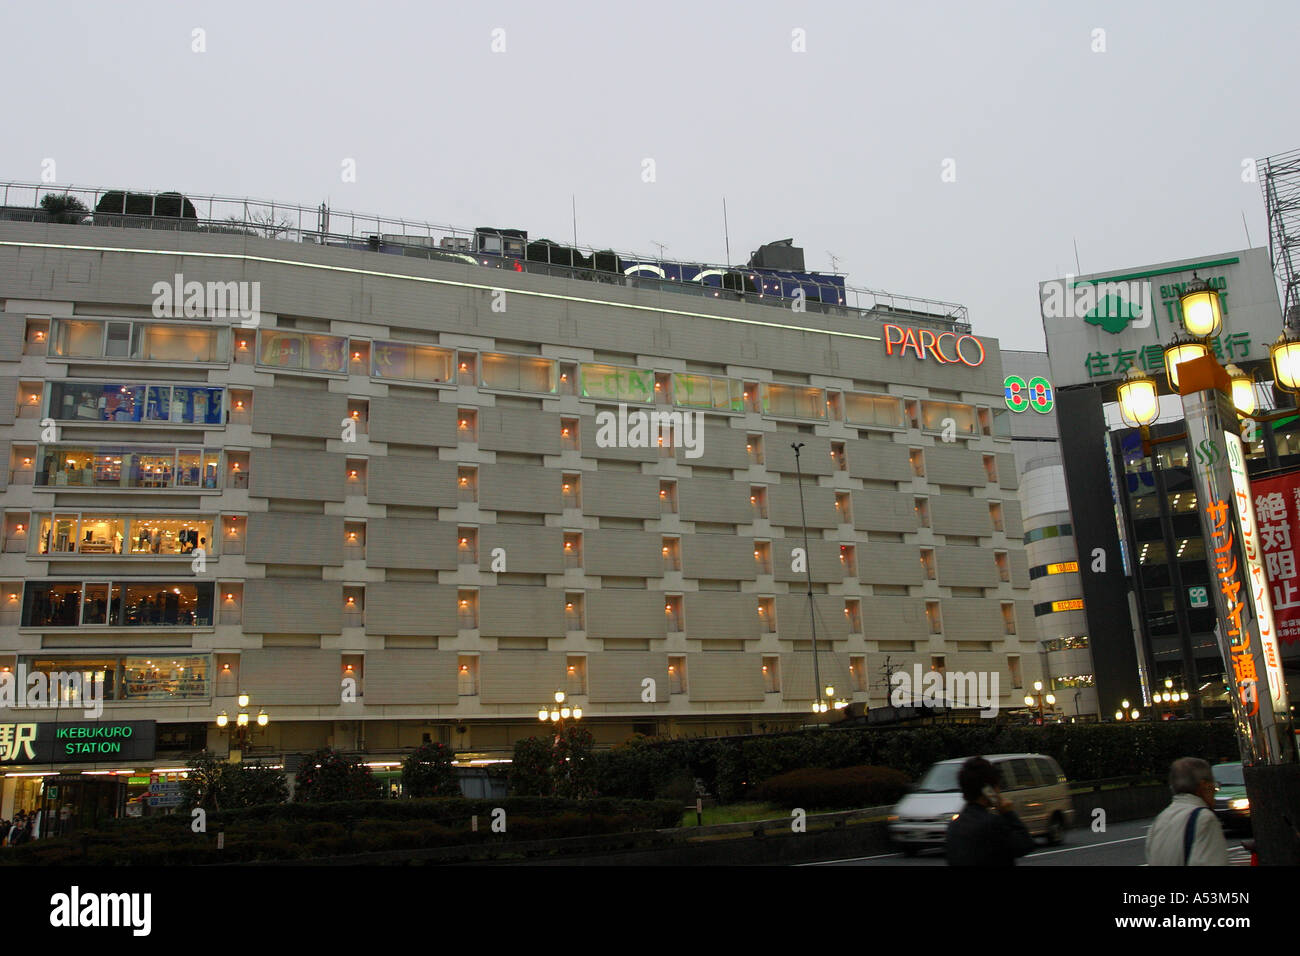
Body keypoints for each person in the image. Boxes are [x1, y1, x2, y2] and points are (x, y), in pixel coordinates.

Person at [946, 757, 1038, 866]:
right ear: (988, 790)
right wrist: (1008, 813)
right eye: (997, 786)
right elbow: (1025, 845)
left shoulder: (954, 826)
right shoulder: (992, 823)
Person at [1145, 757, 1229, 866]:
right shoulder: (1204, 819)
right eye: (1214, 785)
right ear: (1204, 786)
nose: (1215, 790)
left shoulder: (1159, 820)